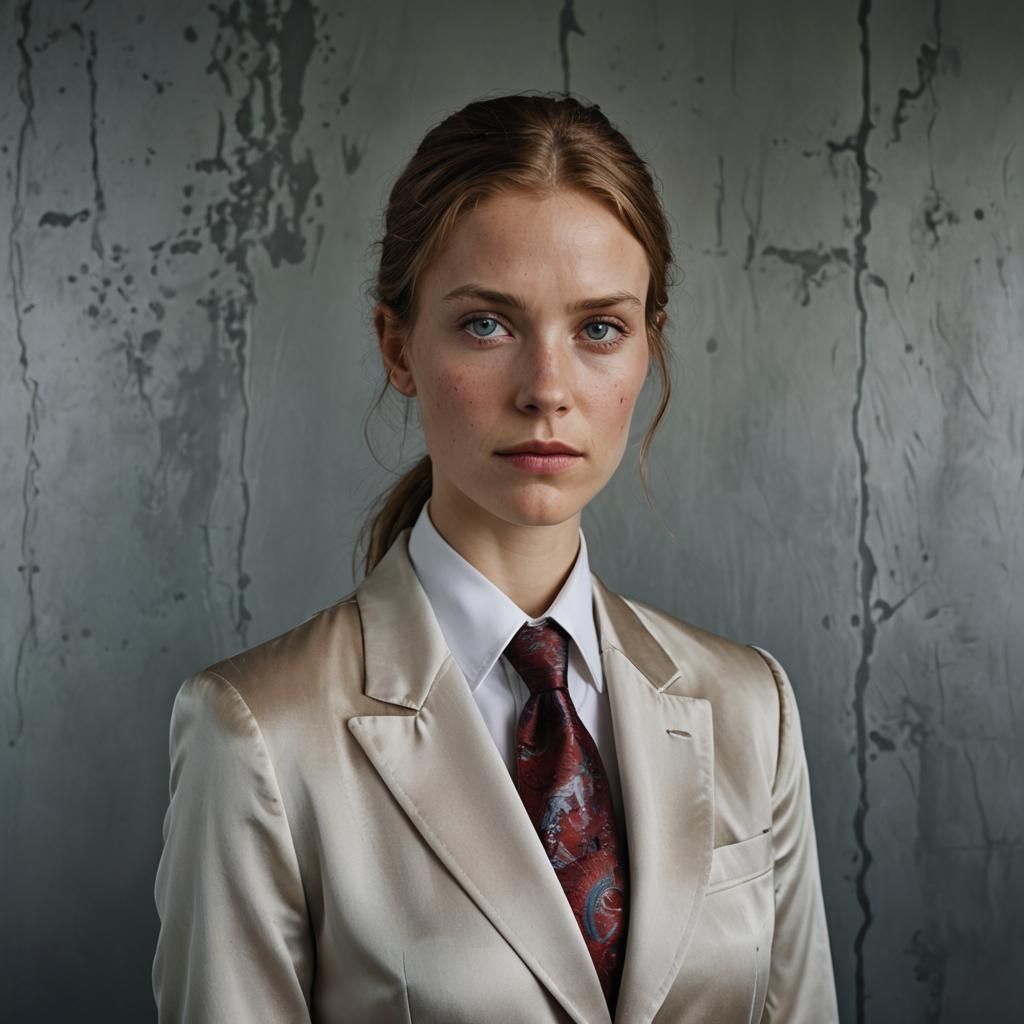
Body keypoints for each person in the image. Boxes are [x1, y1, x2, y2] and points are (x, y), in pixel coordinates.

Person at [152, 92, 839, 1023]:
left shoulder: (751, 707)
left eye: (599, 328)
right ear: (397, 345)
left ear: (648, 348)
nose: (547, 391)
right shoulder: (260, 735)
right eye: (487, 324)